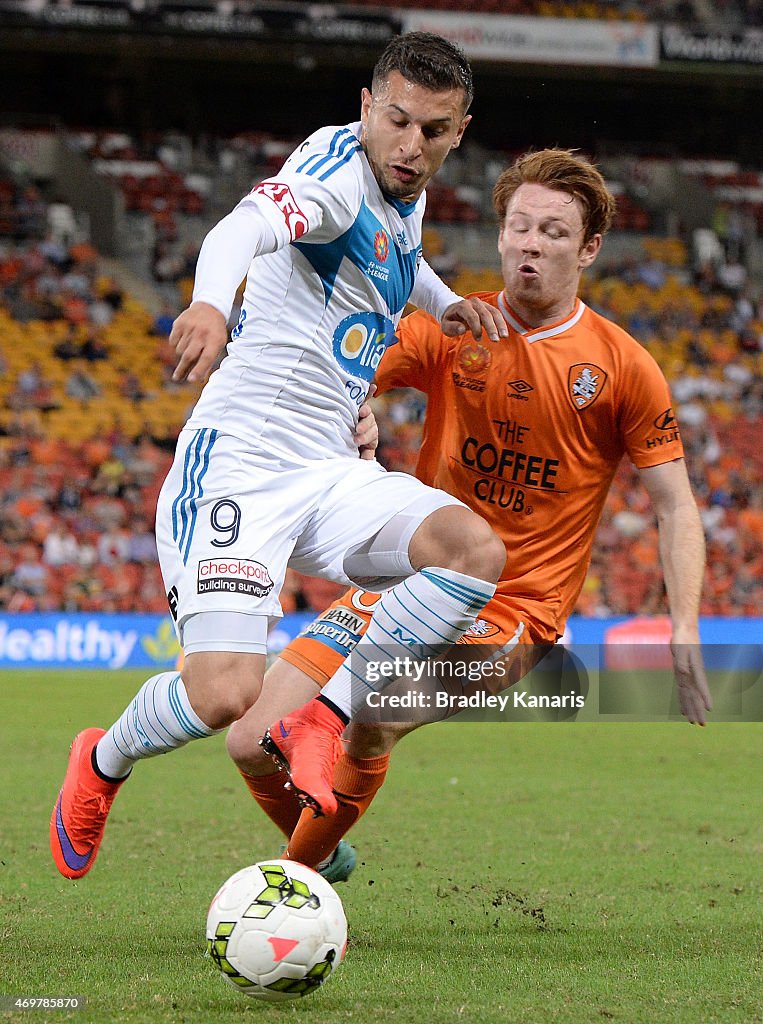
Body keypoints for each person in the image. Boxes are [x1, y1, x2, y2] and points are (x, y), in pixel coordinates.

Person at [50, 32, 510, 881]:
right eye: (397, 121)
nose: (411, 147)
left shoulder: (396, 186)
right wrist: (209, 306)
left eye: (433, 130)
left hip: (331, 468)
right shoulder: (334, 178)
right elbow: (244, 226)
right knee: (226, 694)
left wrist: (444, 303)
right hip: (241, 466)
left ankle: (320, 719)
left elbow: (393, 260)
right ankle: (102, 760)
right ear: (366, 107)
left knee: (472, 552)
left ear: (459, 131)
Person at [224, 148, 711, 879]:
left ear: (588, 248)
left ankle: (289, 887)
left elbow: (674, 505)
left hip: (516, 610)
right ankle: (323, 853)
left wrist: (683, 626)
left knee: (371, 713)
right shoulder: (453, 328)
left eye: (552, 231)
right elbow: (342, 374)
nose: (529, 244)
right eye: (518, 226)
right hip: (413, 588)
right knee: (249, 738)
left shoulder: (621, 367)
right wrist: (355, 415)